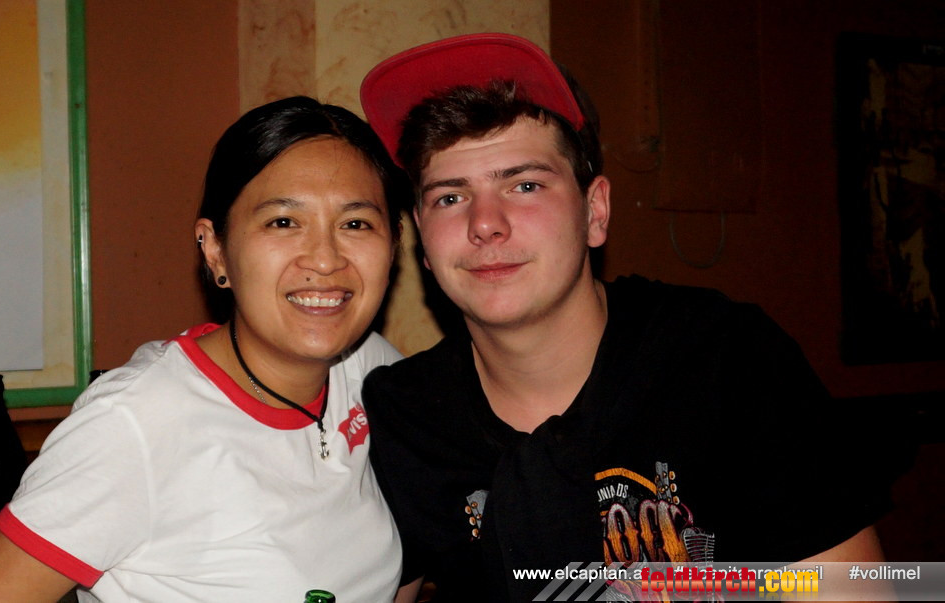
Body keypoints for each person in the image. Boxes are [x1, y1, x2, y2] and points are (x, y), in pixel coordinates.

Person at [358, 34, 889, 601]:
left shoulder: (727, 358)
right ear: (422, 238)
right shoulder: (406, 414)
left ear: (595, 211)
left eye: (525, 185)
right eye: (450, 197)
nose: (485, 223)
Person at [0, 97, 414, 602]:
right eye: (283, 222)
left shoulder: (373, 369)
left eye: (355, 224)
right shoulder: (134, 423)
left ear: (393, 245)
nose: (325, 259)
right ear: (215, 249)